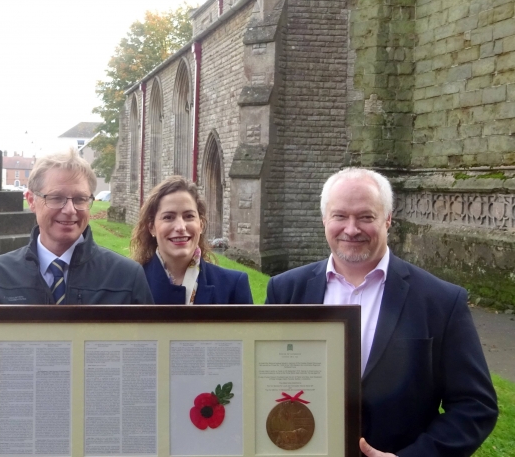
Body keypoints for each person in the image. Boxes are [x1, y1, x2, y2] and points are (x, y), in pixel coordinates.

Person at [265, 168, 498, 457]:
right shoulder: (285, 291)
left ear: (388, 219)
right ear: (324, 219)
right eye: (340, 216)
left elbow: (475, 406)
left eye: (366, 217)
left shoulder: (441, 300)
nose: (351, 229)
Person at [0, 148, 153, 304]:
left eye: (80, 199)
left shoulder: (126, 278)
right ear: (32, 201)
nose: (70, 210)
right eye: (56, 198)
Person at [131, 176, 253, 305]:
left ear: (201, 225)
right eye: (168, 217)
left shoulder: (233, 286)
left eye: (189, 216)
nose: (181, 227)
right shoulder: (130, 284)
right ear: (152, 227)